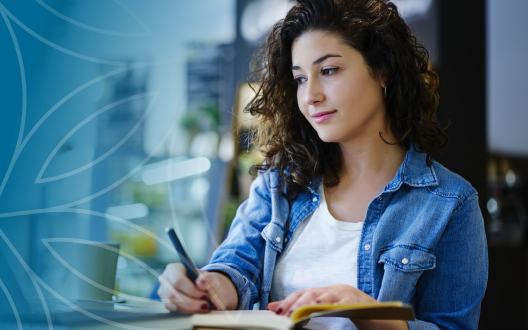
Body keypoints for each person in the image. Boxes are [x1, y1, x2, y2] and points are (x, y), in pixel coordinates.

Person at [157, 0, 488, 329]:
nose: (310, 95)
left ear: (383, 70)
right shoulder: (280, 184)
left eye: (328, 71)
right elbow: (237, 266)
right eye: (300, 78)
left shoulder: (450, 204)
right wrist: (208, 287)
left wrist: (370, 314)